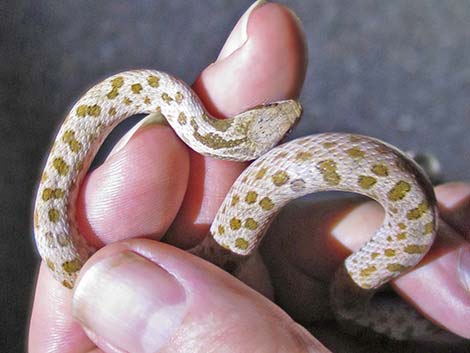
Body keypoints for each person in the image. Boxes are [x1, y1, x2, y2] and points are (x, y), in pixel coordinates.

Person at [28, 1, 470, 352]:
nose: (291, 116)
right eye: (281, 125)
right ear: (246, 127)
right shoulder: (167, 102)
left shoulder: (169, 100)